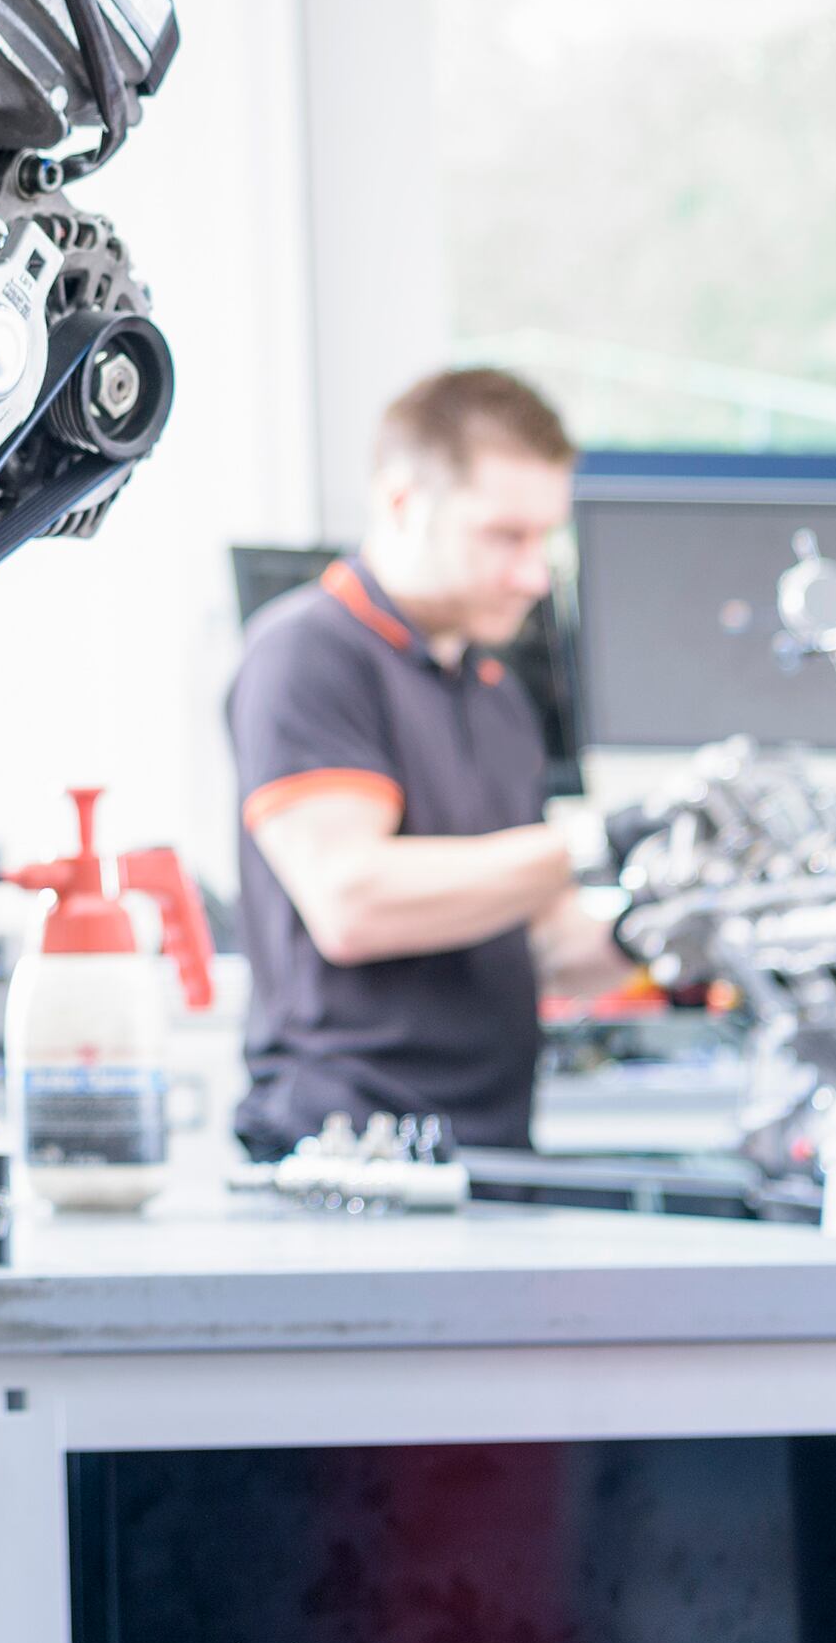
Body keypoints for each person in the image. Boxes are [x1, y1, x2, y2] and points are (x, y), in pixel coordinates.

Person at [226, 367, 624, 1155]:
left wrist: (669, 923)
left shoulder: (496, 692)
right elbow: (351, 902)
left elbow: (546, 943)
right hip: (349, 1154)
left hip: (494, 1150)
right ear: (404, 502)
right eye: (504, 535)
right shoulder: (308, 654)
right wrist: (594, 841)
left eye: (544, 538)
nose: (534, 575)